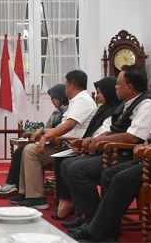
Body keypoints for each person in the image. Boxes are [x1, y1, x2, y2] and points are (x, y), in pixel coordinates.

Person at [70, 55, 151, 242]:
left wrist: (150, 148)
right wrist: (149, 144)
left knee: (121, 178)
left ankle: (96, 233)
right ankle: (108, 232)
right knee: (110, 174)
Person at [61, 64, 151, 231]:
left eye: (118, 84)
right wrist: (92, 139)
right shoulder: (125, 104)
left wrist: (101, 142)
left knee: (78, 169)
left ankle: (95, 222)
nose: (115, 87)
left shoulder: (147, 103)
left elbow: (134, 137)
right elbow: (110, 128)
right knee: (67, 164)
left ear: (129, 87)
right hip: (115, 151)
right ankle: (88, 216)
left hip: (128, 155)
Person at [9, 70, 97, 209]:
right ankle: (26, 193)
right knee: (28, 149)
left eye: (66, 84)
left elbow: (69, 125)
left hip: (73, 145)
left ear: (72, 86)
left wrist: (45, 136)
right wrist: (43, 130)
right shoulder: (76, 101)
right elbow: (63, 126)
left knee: (31, 151)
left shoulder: (83, 101)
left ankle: (37, 198)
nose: (65, 87)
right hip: (63, 142)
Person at [52, 76, 121, 220]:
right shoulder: (103, 109)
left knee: (72, 165)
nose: (99, 96)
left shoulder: (115, 110)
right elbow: (95, 132)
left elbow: (108, 133)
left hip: (110, 152)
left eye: (101, 92)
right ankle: (81, 212)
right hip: (93, 147)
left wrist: (88, 145)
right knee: (66, 162)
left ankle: (91, 216)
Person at [0, 84, 69, 196]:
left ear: (61, 97)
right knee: (19, 151)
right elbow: (47, 128)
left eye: (53, 98)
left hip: (59, 145)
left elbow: (59, 130)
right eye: (50, 98)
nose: (51, 101)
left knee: (24, 151)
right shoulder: (56, 112)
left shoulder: (68, 111)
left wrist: (44, 135)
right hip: (49, 142)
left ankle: (15, 185)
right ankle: (14, 185)